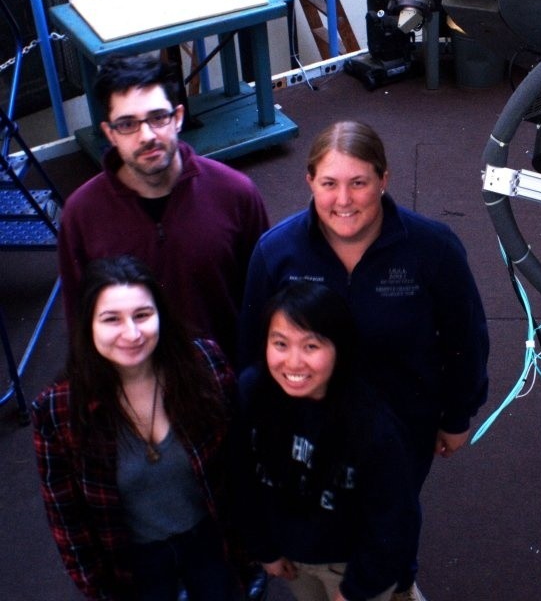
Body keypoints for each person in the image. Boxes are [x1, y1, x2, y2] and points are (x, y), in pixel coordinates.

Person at [238, 120, 489, 601]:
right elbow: (252, 346)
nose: (344, 200)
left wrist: (458, 415)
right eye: (329, 183)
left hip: (404, 425)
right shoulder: (276, 253)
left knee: (391, 515)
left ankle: (394, 582)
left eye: (359, 182)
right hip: (307, 427)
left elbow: (467, 338)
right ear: (309, 181)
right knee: (321, 510)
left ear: (384, 180)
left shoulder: (432, 249)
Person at [31, 255, 240, 600]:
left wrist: (246, 551)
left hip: (211, 541)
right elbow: (67, 520)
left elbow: (238, 466)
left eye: (142, 315)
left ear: (161, 316)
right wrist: (99, 589)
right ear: (88, 326)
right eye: (111, 319)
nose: (132, 333)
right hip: (135, 560)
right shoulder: (58, 410)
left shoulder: (206, 365)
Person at [58, 53, 270, 361]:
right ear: (110, 133)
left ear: (179, 117)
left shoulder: (236, 194)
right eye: (128, 124)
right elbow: (80, 324)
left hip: (228, 387)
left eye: (158, 117)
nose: (147, 136)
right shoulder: (81, 216)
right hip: (134, 393)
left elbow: (266, 302)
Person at [234, 280, 420, 601]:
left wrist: (356, 590)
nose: (293, 362)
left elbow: (393, 521)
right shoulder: (252, 393)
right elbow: (241, 479)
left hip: (352, 565)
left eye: (311, 346)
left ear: (339, 349)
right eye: (280, 343)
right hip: (294, 559)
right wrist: (264, 549)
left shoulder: (372, 424)